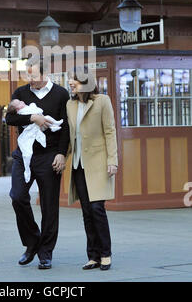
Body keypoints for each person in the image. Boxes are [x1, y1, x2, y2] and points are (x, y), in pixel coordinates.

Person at [6, 56, 70, 270]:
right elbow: (10, 119)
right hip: (24, 155)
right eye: (27, 74)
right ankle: (32, 242)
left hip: (50, 155)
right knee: (17, 196)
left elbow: (67, 127)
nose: (29, 79)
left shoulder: (61, 94)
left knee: (50, 206)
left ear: (44, 73)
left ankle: (46, 253)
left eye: (32, 75)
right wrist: (33, 118)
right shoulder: (21, 94)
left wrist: (62, 154)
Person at [66, 66, 118, 271]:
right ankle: (93, 256)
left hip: (98, 162)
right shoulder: (70, 104)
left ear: (86, 83)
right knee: (87, 211)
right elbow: (70, 134)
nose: (71, 82)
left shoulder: (102, 101)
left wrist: (112, 160)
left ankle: (106, 253)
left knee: (97, 209)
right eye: (71, 79)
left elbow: (110, 131)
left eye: (75, 80)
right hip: (78, 164)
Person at [7, 99, 63, 183]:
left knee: (47, 118)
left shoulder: (59, 93)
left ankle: (54, 125)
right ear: (17, 109)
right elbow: (10, 119)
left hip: (47, 151)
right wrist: (34, 117)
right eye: (19, 103)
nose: (22, 101)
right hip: (33, 129)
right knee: (17, 194)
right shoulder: (22, 111)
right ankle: (54, 125)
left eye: (20, 101)